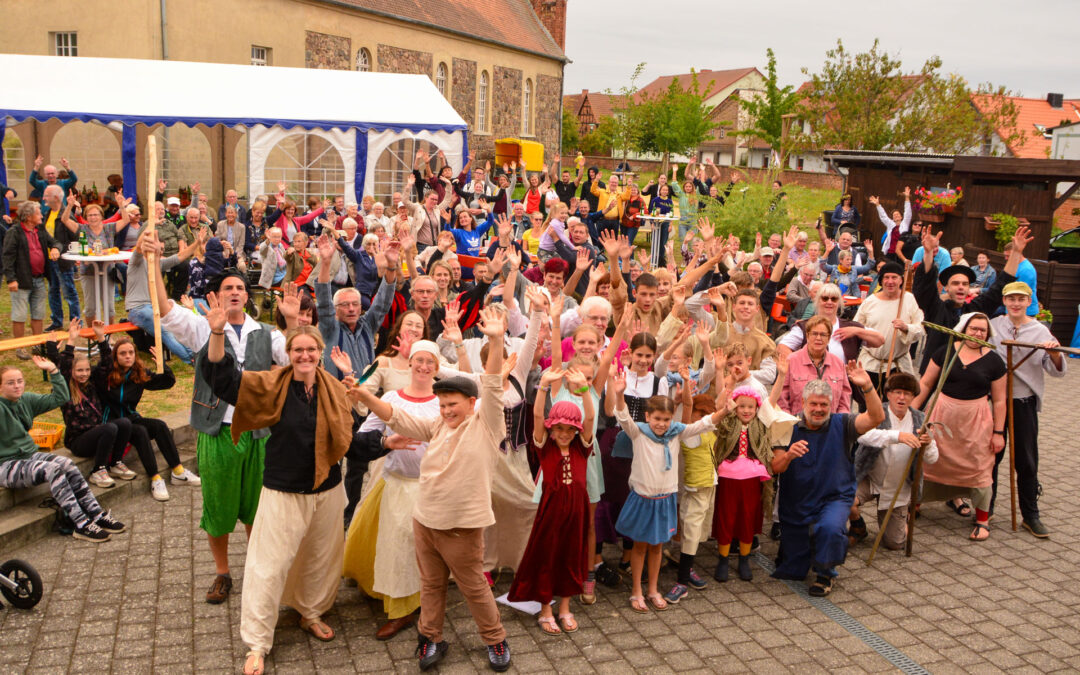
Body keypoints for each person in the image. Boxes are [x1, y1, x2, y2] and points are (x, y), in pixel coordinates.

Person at [350, 307, 513, 673]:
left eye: (453, 405)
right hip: (425, 520)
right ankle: (431, 637)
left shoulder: (486, 424)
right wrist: (366, 396)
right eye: (442, 405)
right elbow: (399, 417)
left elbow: (491, 383)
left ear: (472, 405)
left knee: (472, 587)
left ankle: (496, 639)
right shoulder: (439, 424)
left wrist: (497, 339)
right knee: (431, 585)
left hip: (461, 524)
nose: (446, 410)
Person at [202, 307, 354, 675]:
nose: (304, 356)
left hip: (328, 488)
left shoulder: (334, 387)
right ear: (288, 353)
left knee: (321, 557)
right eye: (298, 350)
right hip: (283, 489)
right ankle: (257, 643)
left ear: (320, 352)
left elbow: (353, 428)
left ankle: (310, 612)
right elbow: (225, 383)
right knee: (267, 567)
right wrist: (218, 334)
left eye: (311, 350)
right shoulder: (272, 384)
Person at [154, 250, 291, 604]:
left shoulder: (267, 332)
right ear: (217, 294)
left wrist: (293, 323)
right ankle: (222, 573)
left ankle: (258, 572)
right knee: (218, 505)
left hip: (257, 431)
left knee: (256, 508)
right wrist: (153, 263)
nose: (233, 292)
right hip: (217, 430)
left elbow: (298, 358)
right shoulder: (202, 326)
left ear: (247, 295)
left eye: (239, 288)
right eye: (227, 287)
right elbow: (165, 308)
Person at [343, 339, 441, 640]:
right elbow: (366, 435)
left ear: (437, 368)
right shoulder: (392, 399)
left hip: (430, 487)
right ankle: (401, 606)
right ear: (409, 363)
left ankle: (418, 601)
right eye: (418, 360)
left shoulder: (443, 400)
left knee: (420, 549)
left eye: (429, 362)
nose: (423, 367)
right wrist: (384, 442)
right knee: (396, 544)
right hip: (396, 483)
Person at [610, 369, 726, 613]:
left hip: (665, 499)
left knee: (658, 547)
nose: (661, 424)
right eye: (657, 419)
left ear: (672, 418)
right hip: (643, 499)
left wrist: (727, 409)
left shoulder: (677, 432)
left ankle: (653, 589)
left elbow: (705, 423)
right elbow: (622, 416)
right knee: (640, 547)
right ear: (647, 416)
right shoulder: (638, 432)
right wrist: (619, 394)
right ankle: (636, 591)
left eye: (666, 419)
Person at [771, 362, 885, 597]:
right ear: (803, 404)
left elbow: (876, 417)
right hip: (797, 501)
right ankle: (800, 551)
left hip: (834, 497)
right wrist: (790, 454)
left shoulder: (843, 424)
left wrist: (867, 387)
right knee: (791, 568)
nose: (819, 409)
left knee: (830, 528)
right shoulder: (787, 426)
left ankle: (825, 574)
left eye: (824, 404)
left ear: (831, 405)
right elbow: (775, 467)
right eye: (813, 403)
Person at [507, 369, 594, 636]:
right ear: (551, 429)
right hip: (551, 512)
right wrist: (542, 386)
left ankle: (565, 608)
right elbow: (536, 415)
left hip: (577, 511)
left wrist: (583, 390)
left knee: (570, 556)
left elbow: (590, 416)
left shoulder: (582, 447)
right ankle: (546, 609)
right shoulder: (545, 447)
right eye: (559, 428)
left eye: (570, 429)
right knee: (548, 557)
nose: (565, 433)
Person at [0, 357, 124, 542]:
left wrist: (54, 371)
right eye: (11, 383)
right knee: (53, 469)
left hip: (29, 456)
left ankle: (97, 514)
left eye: (20, 381)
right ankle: (81, 524)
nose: (17, 386)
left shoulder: (25, 400)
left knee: (67, 463)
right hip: (6, 465)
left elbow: (61, 397)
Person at [912, 313, 1005, 542]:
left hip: (975, 421)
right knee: (928, 459)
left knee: (979, 466)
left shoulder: (994, 361)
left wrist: (999, 433)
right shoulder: (945, 352)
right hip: (941, 415)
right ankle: (914, 504)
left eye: (982, 330)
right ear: (963, 328)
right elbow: (925, 383)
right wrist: (910, 415)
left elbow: (1000, 400)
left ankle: (982, 519)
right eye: (973, 328)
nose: (977, 334)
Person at [988, 282, 1065, 538]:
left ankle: (1030, 515)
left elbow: (1056, 370)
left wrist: (1053, 354)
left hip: (1023, 403)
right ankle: (984, 510)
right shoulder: (994, 325)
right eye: (1012, 299)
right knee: (990, 457)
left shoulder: (1040, 330)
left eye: (1021, 299)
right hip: (994, 402)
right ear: (1005, 300)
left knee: (1027, 460)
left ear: (1029, 301)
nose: (1016, 303)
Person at [913, 225, 1027, 371]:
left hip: (964, 377)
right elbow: (925, 287)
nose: (961, 287)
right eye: (955, 283)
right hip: (934, 375)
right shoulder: (935, 308)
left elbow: (999, 288)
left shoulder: (974, 310)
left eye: (965, 284)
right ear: (946, 288)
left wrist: (1016, 253)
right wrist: (928, 253)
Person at [102, 337, 198, 502]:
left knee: (159, 426)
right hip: (112, 424)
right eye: (122, 353)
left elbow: (167, 382)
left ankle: (178, 471)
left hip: (131, 418)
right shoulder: (106, 375)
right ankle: (155, 478)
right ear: (115, 357)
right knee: (140, 431)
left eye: (131, 352)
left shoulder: (138, 373)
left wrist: (162, 365)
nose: (127, 356)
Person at [849, 372, 938, 551]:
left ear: (913, 397)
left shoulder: (921, 420)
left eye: (907, 394)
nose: (901, 397)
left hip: (898, 487)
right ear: (888, 394)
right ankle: (858, 526)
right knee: (843, 500)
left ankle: (901, 519)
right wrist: (897, 436)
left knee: (894, 544)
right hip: (869, 478)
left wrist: (927, 445)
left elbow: (933, 458)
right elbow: (863, 436)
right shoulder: (876, 412)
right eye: (897, 392)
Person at [46, 319, 137, 487]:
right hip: (79, 441)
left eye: (87, 370)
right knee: (109, 427)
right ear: (72, 372)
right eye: (79, 370)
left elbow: (107, 365)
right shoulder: (65, 388)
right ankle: (98, 471)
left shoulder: (92, 384)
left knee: (124, 423)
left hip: (97, 433)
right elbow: (63, 366)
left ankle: (116, 463)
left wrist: (101, 338)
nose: (84, 374)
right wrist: (71, 341)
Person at [710, 387, 779, 584]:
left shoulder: (761, 423)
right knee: (726, 516)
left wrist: (781, 375)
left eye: (751, 407)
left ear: (757, 408)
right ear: (734, 407)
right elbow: (719, 408)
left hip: (751, 476)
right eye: (741, 406)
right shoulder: (727, 422)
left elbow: (772, 401)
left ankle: (744, 559)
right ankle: (723, 559)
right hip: (728, 476)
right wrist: (726, 389)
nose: (746, 410)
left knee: (747, 518)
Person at [4, 200, 64, 359]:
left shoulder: (40, 230)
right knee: (20, 314)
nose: (41, 216)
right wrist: (11, 279)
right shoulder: (14, 232)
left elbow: (56, 242)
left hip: (39, 279)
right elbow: (7, 257)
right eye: (38, 213)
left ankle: (37, 344)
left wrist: (56, 249)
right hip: (22, 280)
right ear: (29, 216)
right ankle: (20, 347)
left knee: (38, 313)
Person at [854, 261, 924, 384]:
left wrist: (906, 327)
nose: (890, 281)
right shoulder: (870, 301)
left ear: (901, 280)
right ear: (881, 280)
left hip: (898, 366)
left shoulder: (908, 299)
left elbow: (920, 328)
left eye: (894, 277)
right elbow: (855, 328)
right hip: (870, 364)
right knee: (867, 402)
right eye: (886, 277)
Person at [869, 187, 911, 257]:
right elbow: (883, 216)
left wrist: (907, 198)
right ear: (893, 219)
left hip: (901, 253)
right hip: (890, 252)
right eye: (894, 215)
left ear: (901, 217)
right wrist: (877, 204)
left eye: (898, 214)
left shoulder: (905, 224)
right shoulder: (891, 224)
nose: (896, 215)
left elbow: (908, 212)